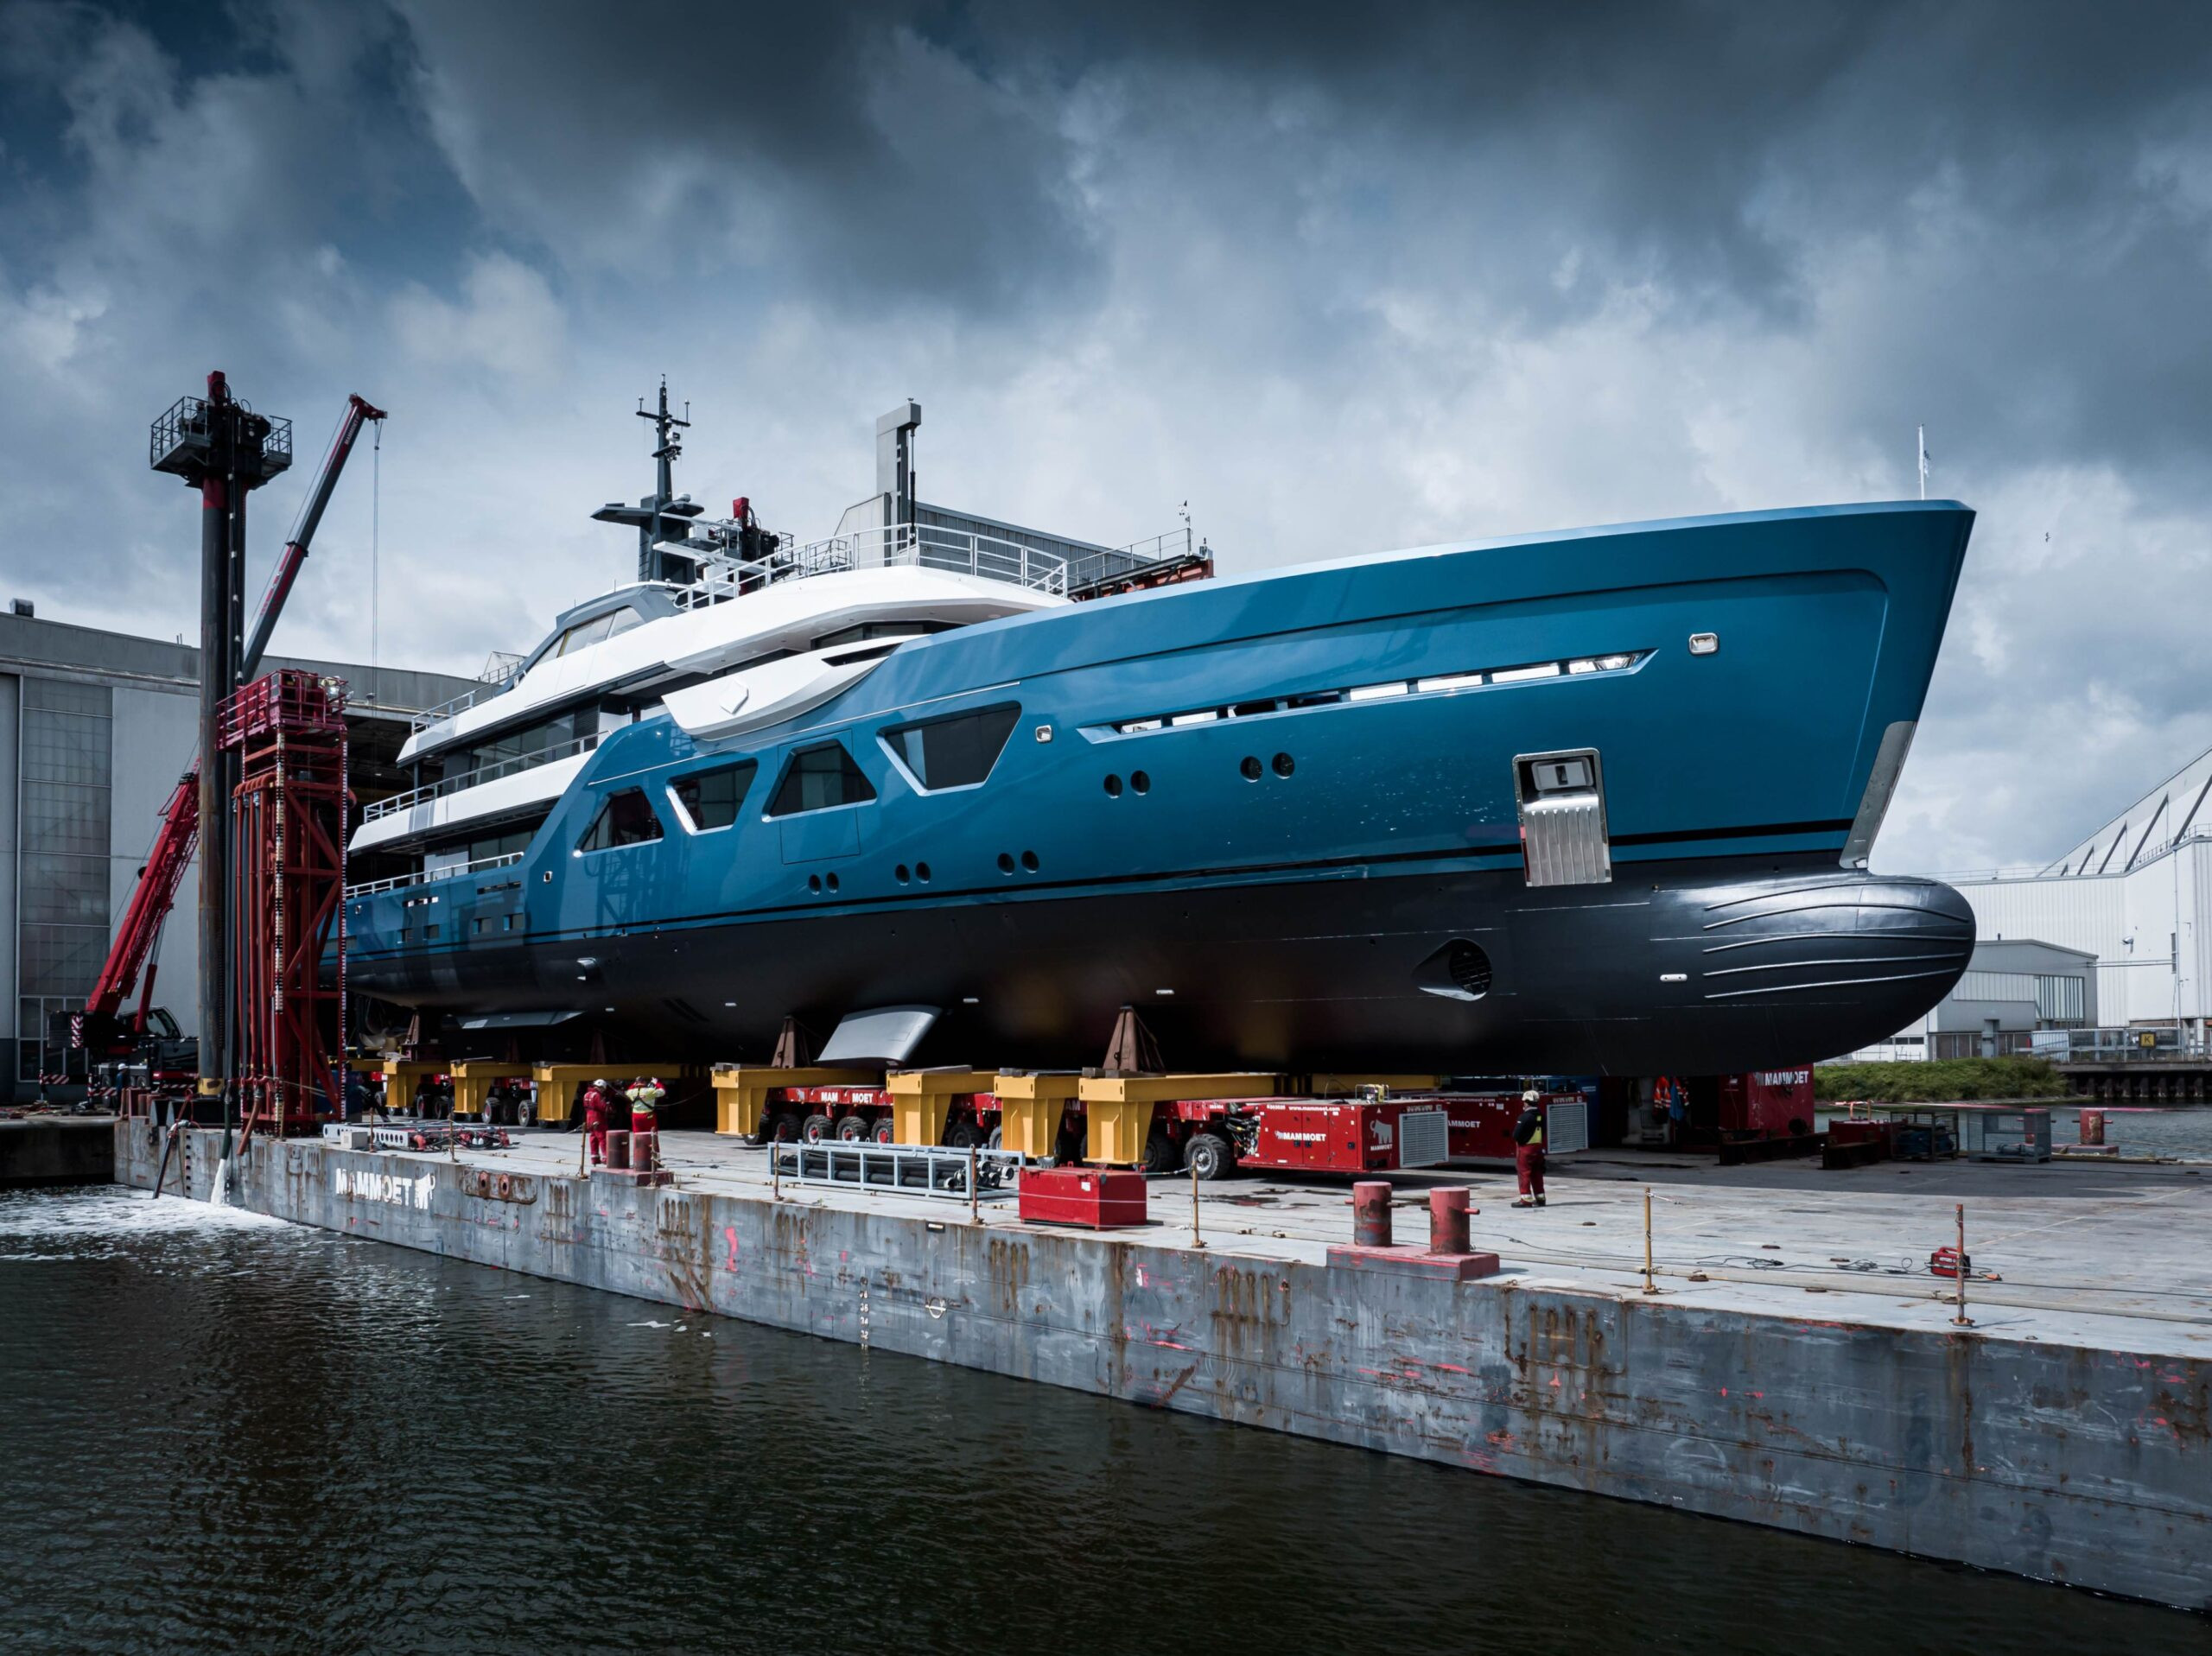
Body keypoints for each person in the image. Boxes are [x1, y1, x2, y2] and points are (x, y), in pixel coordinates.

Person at [1512, 1088, 1547, 1209]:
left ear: (1526, 1102)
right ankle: (1541, 1198)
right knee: (1537, 1173)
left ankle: (1526, 1200)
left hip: (1526, 1149)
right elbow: (1544, 1132)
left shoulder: (1524, 1117)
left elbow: (1516, 1135)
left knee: (1524, 1173)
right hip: (1539, 1149)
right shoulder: (1541, 1116)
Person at [581, 1077, 612, 1165]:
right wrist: (608, 1106)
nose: (603, 1091)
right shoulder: (597, 1095)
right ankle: (606, 1158)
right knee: (602, 1138)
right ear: (601, 1087)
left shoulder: (586, 1095)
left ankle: (594, 1159)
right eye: (603, 1089)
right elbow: (603, 1107)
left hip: (589, 1118)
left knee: (593, 1138)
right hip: (598, 1118)